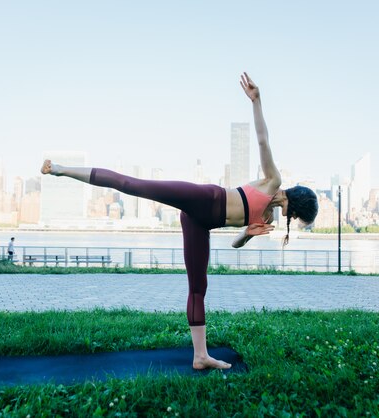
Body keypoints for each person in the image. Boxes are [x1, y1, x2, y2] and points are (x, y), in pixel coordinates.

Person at [40, 73, 318, 369]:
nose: (292, 218)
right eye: (296, 214)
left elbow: (236, 244)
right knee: (132, 184)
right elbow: (263, 140)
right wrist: (257, 100)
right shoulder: (272, 181)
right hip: (203, 199)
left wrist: (248, 235)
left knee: (199, 286)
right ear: (296, 202)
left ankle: (200, 356)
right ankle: (59, 169)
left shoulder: (267, 216)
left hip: (201, 224)